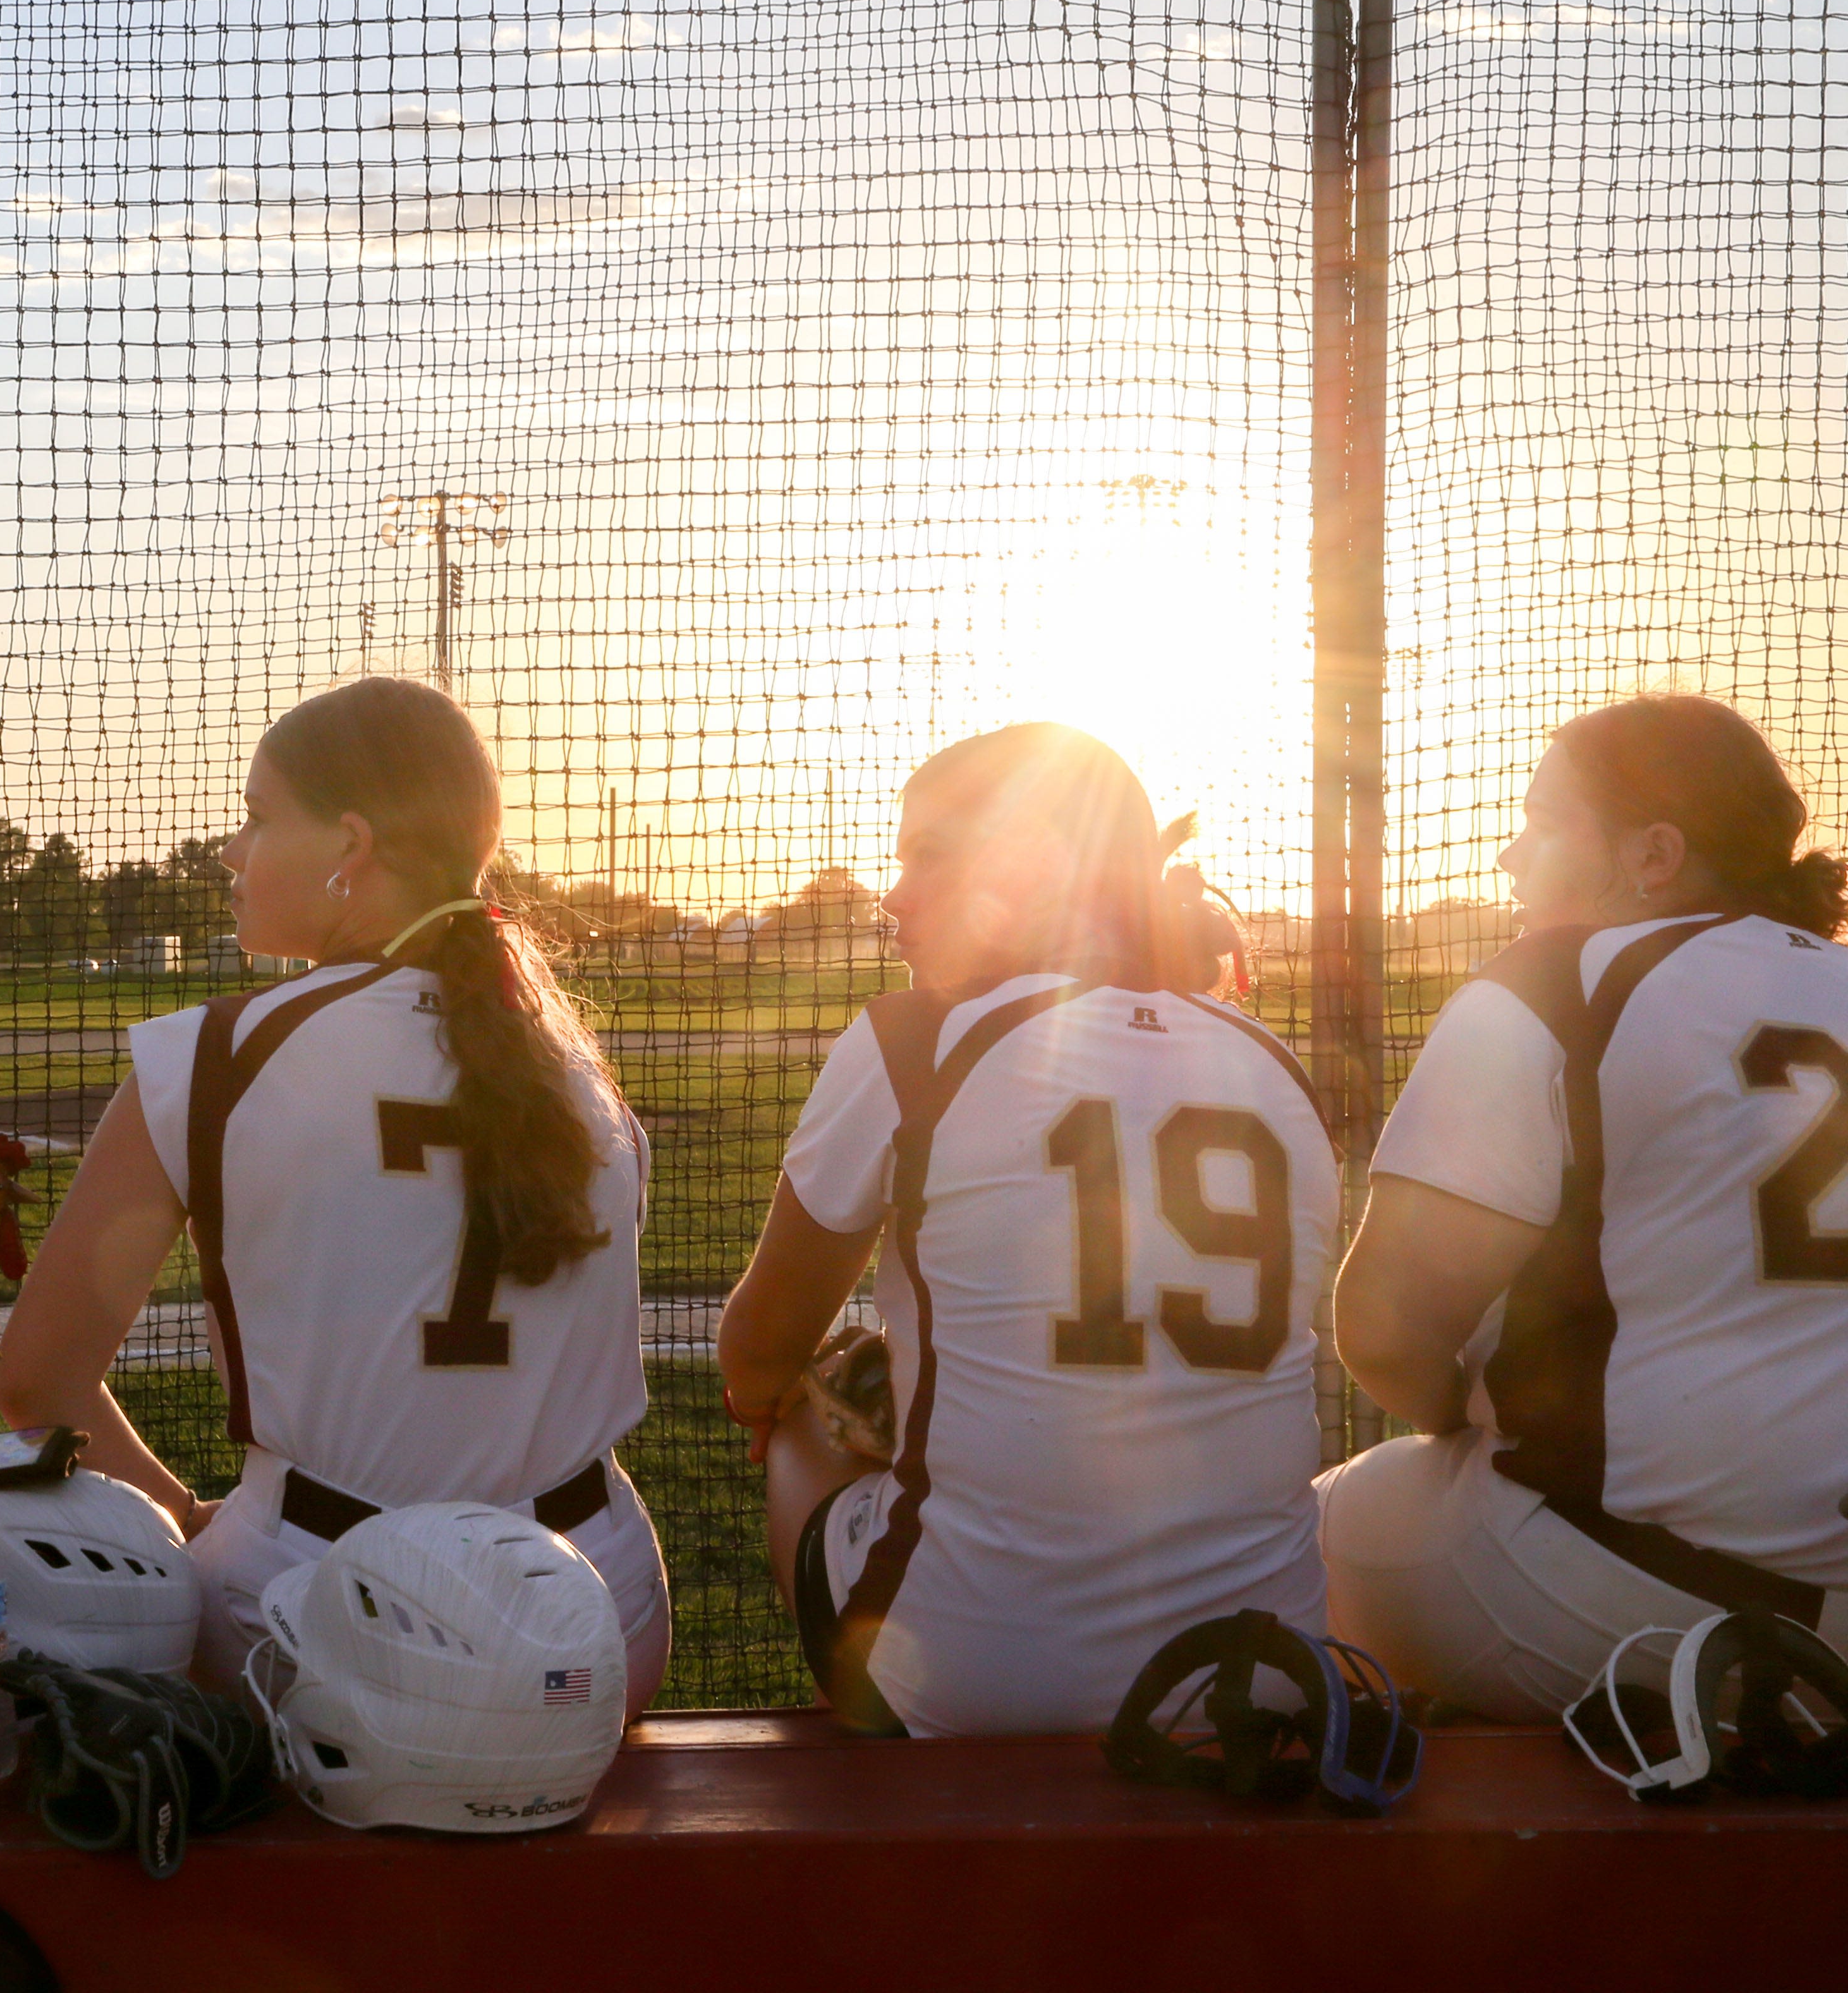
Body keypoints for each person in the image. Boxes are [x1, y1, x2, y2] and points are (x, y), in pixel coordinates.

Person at [0, 677, 671, 1714]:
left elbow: (34, 1386)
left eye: (259, 818)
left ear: (350, 845)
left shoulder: (212, 1054)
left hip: (312, 1618)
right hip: (593, 1615)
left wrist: (187, 1513)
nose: (230, 849)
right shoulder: (572, 1066)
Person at [718, 723, 1332, 1736]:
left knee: (794, 1405)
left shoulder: (914, 1039)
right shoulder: (1273, 1063)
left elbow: (758, 1345)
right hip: (1261, 1674)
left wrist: (781, 1395)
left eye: (929, 856)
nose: (896, 895)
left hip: (973, 1682)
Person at [1321, 695, 1848, 1718]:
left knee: (1300, 1535)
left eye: (1540, 824)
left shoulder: (1560, 978)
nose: (1510, 860)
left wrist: (1462, 1418)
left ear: (1651, 856)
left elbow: (1381, 1331)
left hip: (1639, 1610)